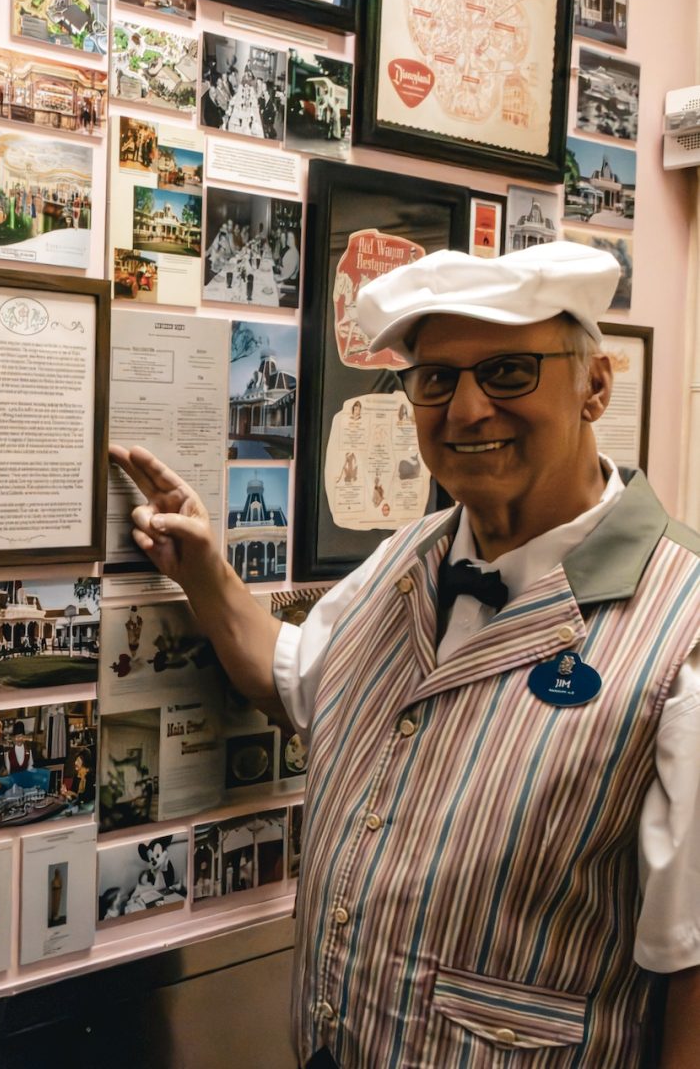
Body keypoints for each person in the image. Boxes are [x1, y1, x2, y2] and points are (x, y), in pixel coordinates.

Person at [110, 240, 700, 1066]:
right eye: (435, 380)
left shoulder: (686, 630)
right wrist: (206, 572)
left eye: (507, 373)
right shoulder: (406, 558)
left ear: (595, 385)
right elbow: (291, 678)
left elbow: (692, 973)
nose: (465, 412)